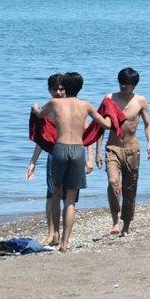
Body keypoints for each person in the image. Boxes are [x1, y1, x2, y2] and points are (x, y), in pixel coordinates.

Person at [36, 72, 111, 252]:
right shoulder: (85, 105)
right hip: (78, 151)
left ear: (65, 87)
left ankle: (54, 234)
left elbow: (40, 115)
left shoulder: (54, 103)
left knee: (56, 195)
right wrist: (110, 113)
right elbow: (106, 125)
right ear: (80, 87)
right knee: (70, 200)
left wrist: (34, 107)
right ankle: (64, 243)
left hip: (60, 149)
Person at [94, 67, 150, 235]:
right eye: (121, 83)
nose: (123, 87)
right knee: (113, 183)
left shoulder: (141, 101)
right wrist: (98, 152)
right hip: (113, 148)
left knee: (130, 188)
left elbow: (148, 124)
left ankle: (126, 224)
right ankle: (115, 221)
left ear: (134, 85)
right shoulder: (109, 99)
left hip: (132, 150)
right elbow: (100, 127)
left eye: (127, 84)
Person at [25, 73, 66, 247]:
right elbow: (43, 139)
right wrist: (33, 162)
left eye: (61, 88)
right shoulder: (47, 109)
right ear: (49, 90)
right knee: (51, 195)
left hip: (71, 153)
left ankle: (63, 234)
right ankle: (52, 234)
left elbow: (84, 132)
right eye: (54, 89)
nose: (58, 92)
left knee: (68, 196)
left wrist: (91, 157)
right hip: (53, 153)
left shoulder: (74, 106)